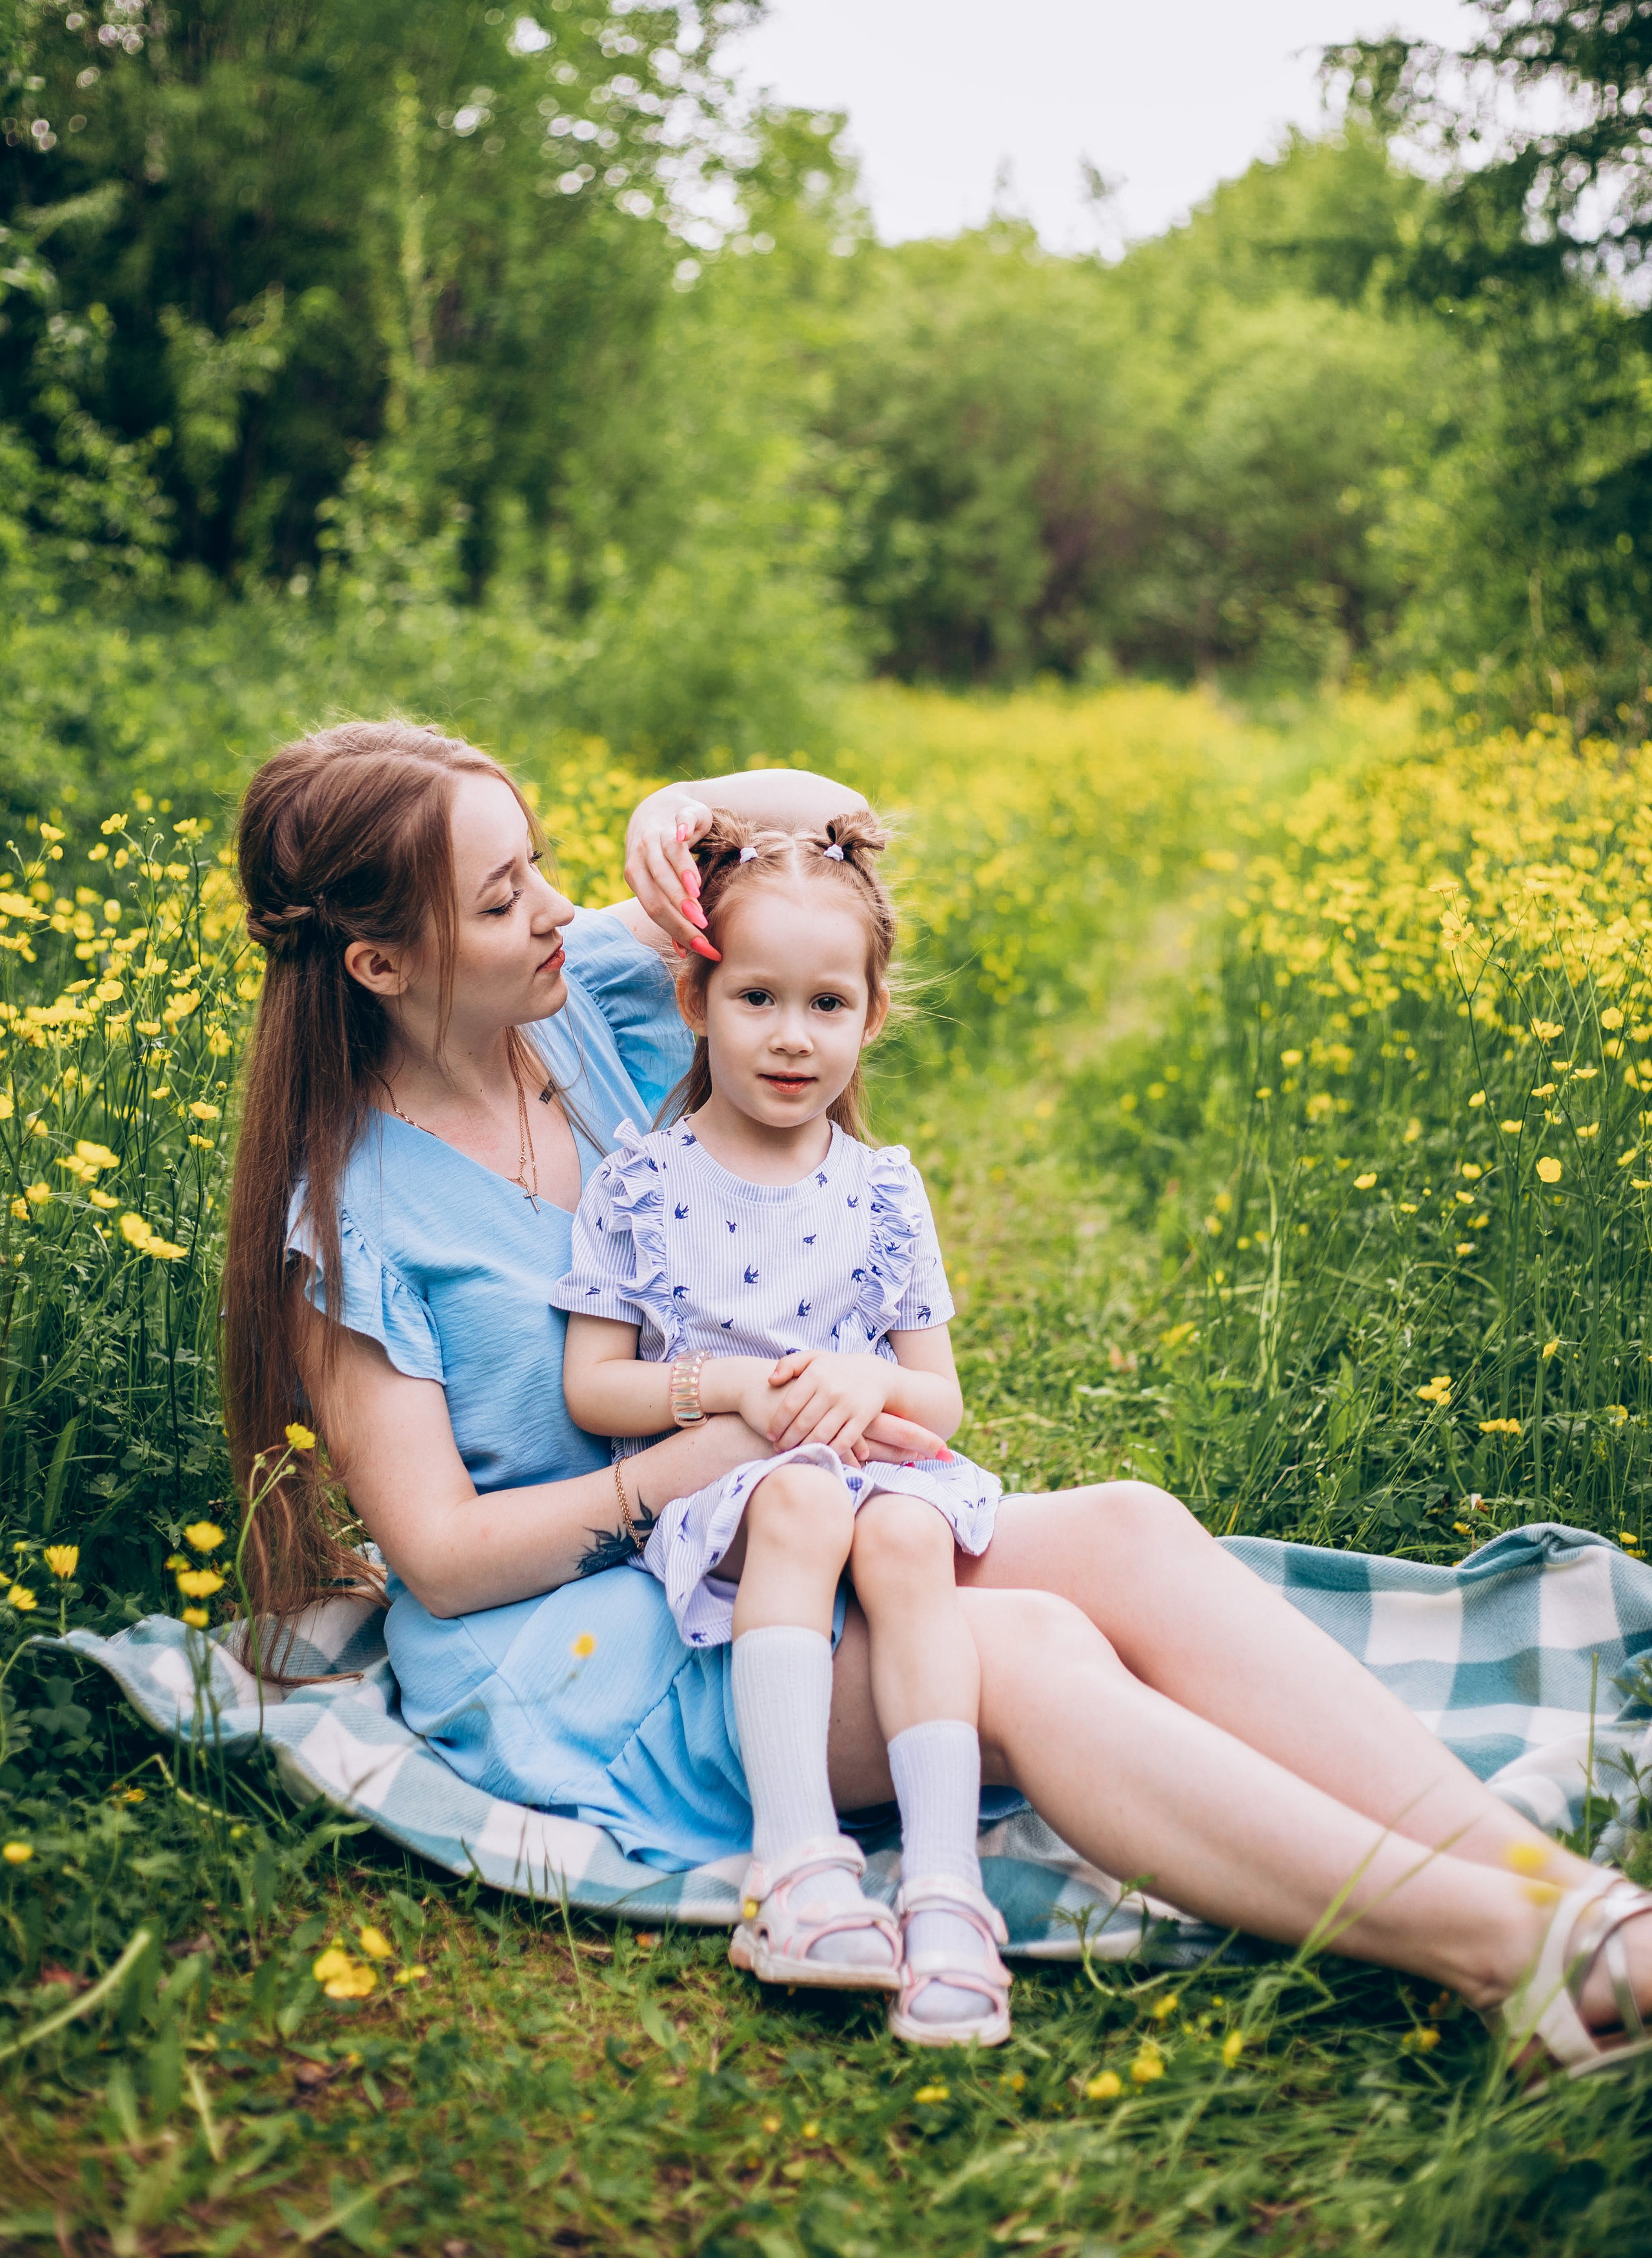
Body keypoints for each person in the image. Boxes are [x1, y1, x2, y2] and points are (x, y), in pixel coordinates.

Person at [223, 719, 1652, 2086]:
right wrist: (705, 1446)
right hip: (582, 1643)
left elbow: (823, 817)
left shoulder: (580, 1007)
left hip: (766, 1519)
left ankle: (1553, 1883)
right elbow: (444, 1558)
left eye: (537, 862)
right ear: (381, 961)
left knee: (1129, 1530)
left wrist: (689, 807)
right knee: (1018, 1650)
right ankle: (1507, 1949)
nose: (548, 904)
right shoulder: (352, 1217)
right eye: (500, 894)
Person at [555, 810, 1009, 2046]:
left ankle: (943, 1882)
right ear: (698, 1002)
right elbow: (595, 1387)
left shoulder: (882, 1188)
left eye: (827, 1004)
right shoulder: (642, 1184)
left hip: (870, 1471)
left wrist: (871, 1394)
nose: (793, 1036)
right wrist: (727, 1393)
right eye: (757, 997)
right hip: (732, 1487)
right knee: (802, 1499)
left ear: (870, 1016)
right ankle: (798, 1859)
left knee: (911, 1545)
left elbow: (940, 1398)